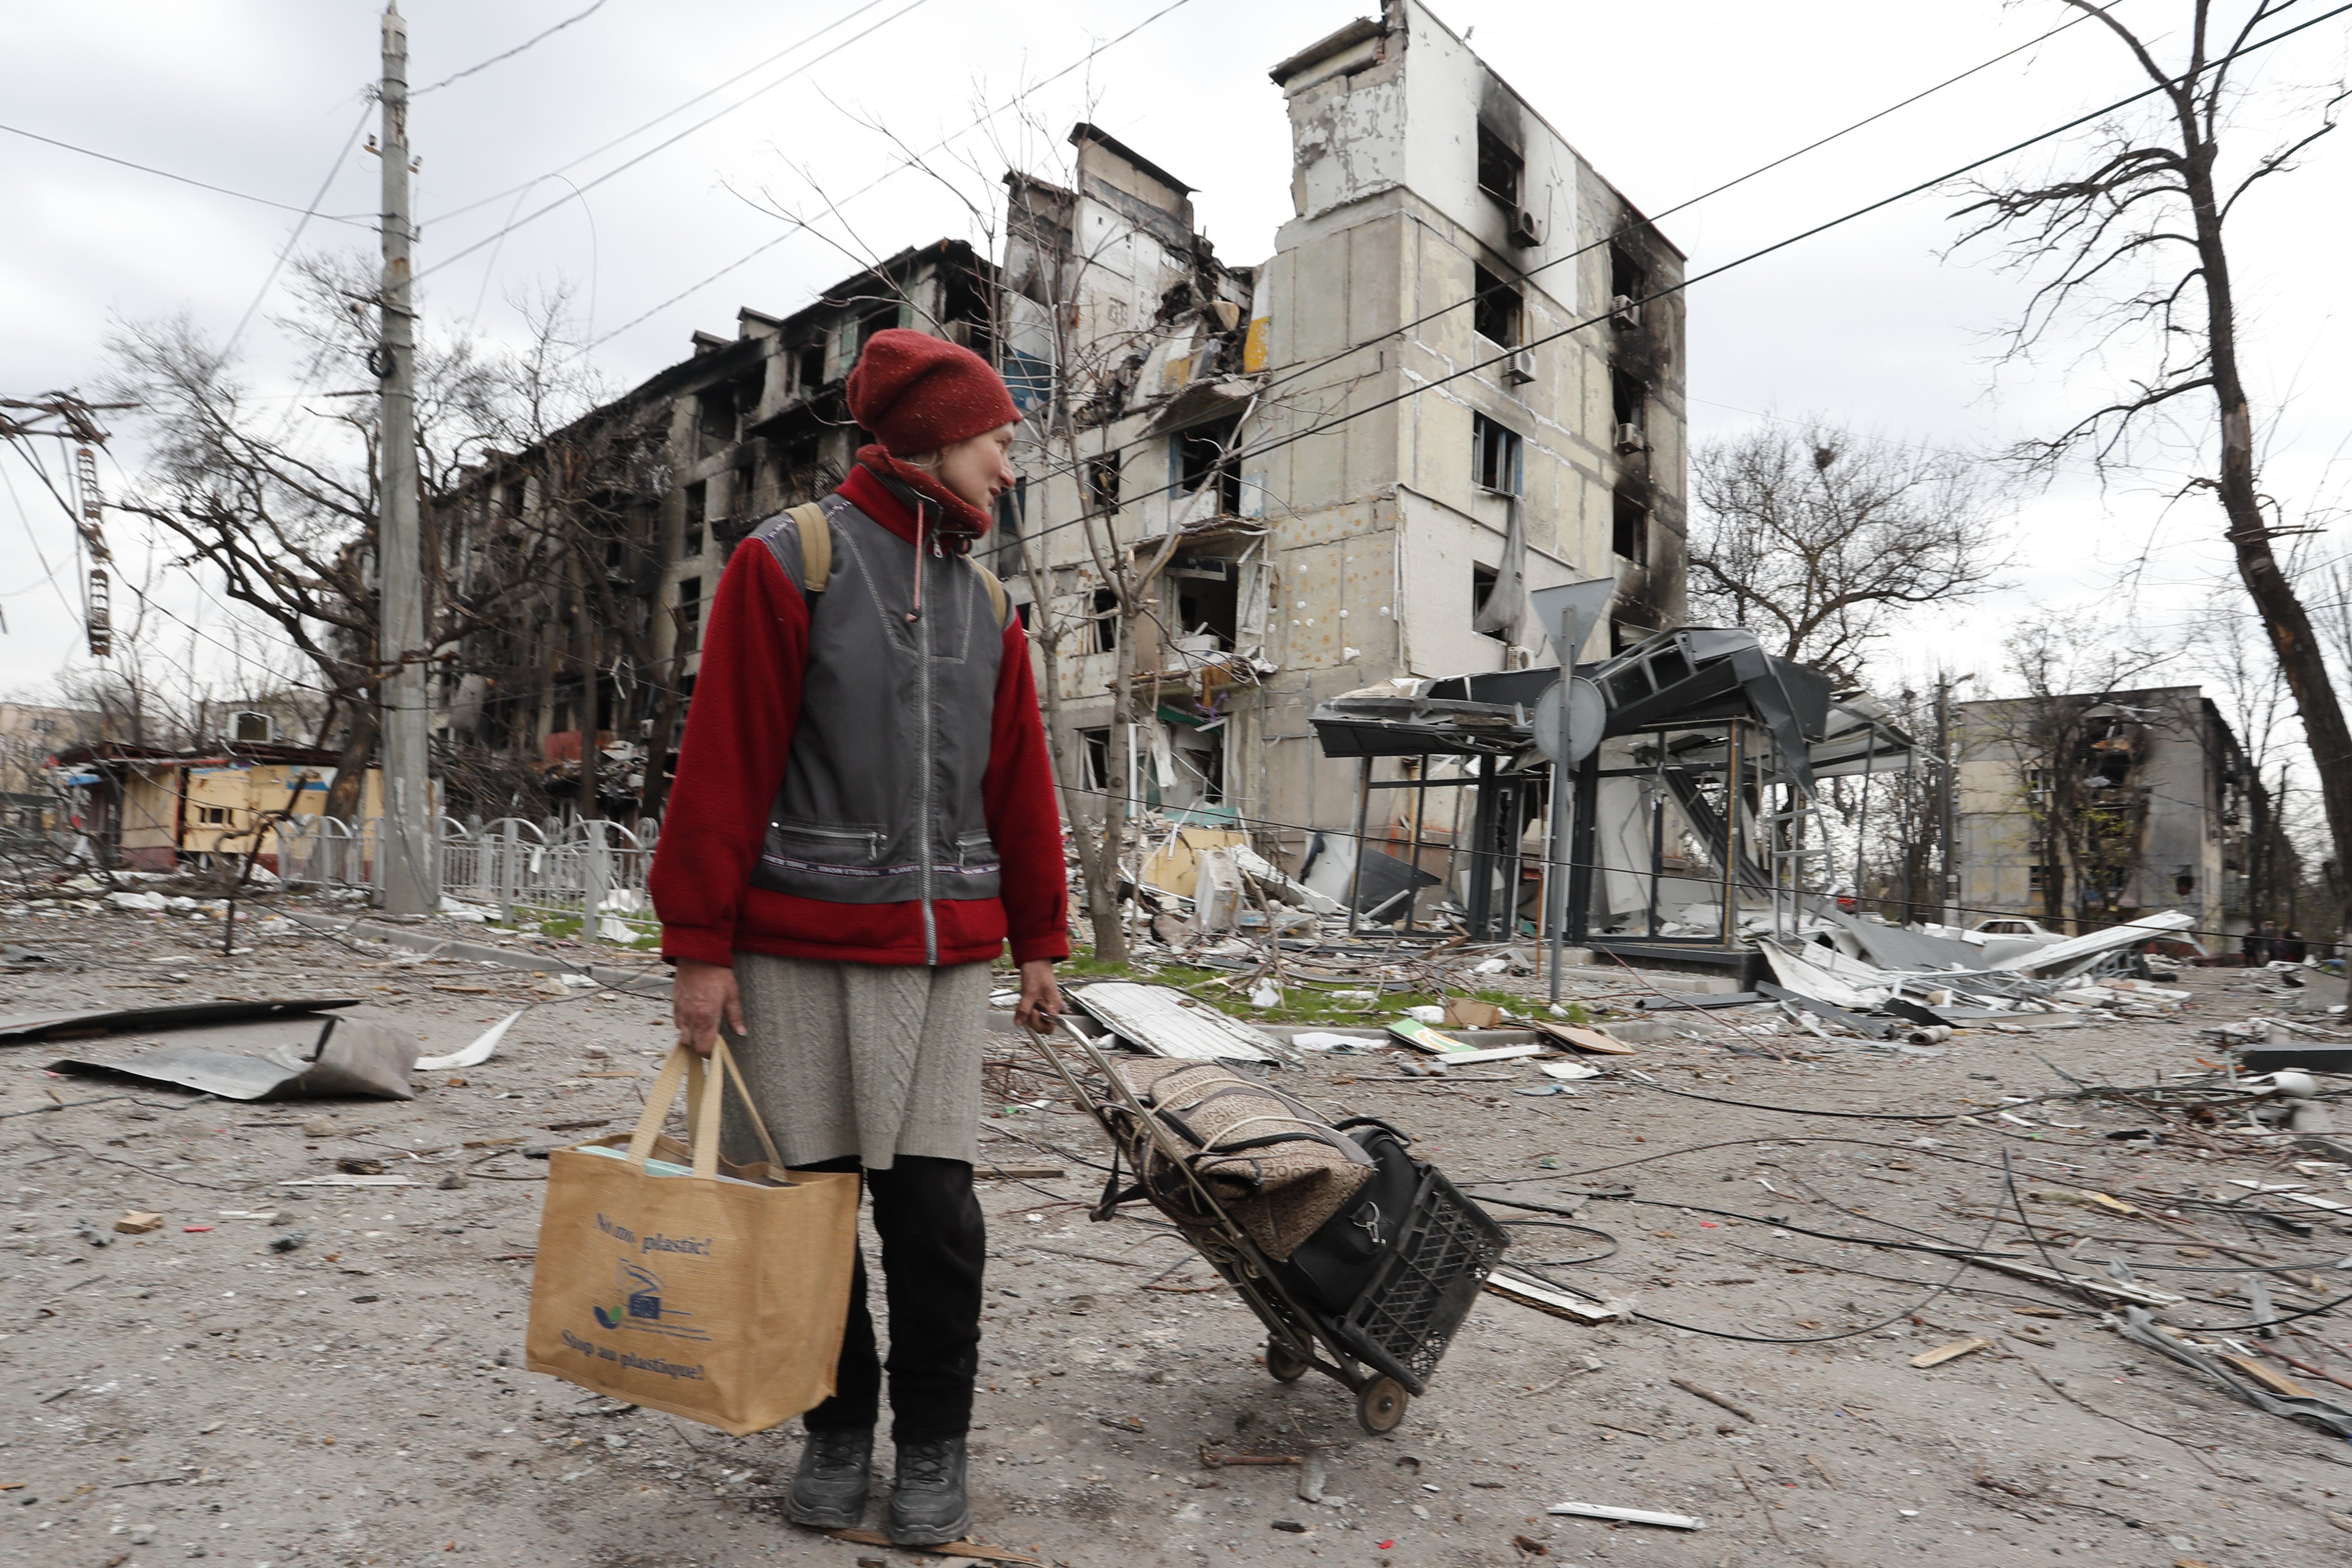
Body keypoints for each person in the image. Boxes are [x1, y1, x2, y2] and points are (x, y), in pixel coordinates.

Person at [650, 328, 1067, 1547]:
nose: (1008, 465)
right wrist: (698, 944)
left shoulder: (991, 601)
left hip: (937, 972)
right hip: (791, 956)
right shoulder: (792, 562)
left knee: (933, 1216)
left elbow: (1019, 783)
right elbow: (723, 762)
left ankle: (933, 1442)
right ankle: (836, 1429)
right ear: (939, 433)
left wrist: (1040, 935)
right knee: (810, 1210)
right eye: (999, 440)